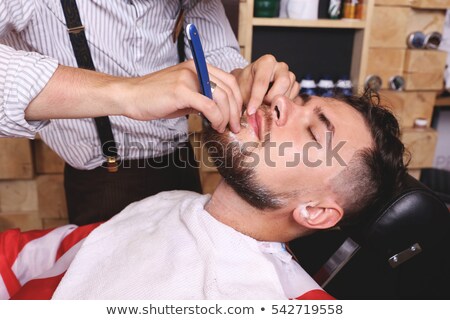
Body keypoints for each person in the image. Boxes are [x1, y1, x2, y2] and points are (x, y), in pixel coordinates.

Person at [0, 91, 407, 299]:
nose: (281, 102)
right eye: (300, 102)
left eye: (314, 133)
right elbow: (24, 256)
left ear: (317, 212)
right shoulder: (170, 203)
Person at [0, 0, 299, 225]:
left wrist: (239, 81)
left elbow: (216, 50)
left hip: (180, 162)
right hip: (104, 178)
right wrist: (128, 92)